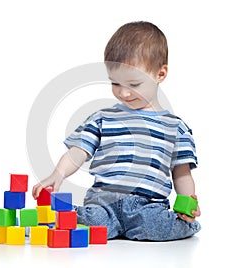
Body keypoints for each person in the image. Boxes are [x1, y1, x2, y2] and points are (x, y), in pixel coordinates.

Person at [32, 21, 201, 241]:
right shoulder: (103, 118)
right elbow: (79, 151)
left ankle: (183, 225)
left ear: (160, 74)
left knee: (157, 226)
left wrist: (187, 203)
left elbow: (182, 173)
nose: (123, 93)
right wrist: (58, 174)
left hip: (147, 205)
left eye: (134, 84)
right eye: (115, 83)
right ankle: (58, 217)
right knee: (93, 222)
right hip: (104, 202)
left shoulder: (175, 127)